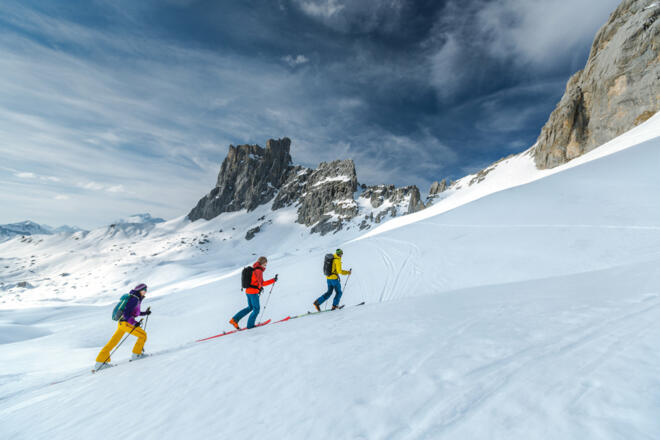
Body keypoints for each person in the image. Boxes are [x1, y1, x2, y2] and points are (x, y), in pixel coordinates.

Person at [95, 283, 151, 369]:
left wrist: (145, 313)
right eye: (144, 290)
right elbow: (126, 313)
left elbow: (134, 312)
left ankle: (100, 361)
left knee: (113, 342)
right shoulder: (135, 299)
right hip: (126, 323)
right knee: (143, 335)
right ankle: (136, 355)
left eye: (146, 290)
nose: (145, 291)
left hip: (122, 323)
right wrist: (133, 323)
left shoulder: (135, 298)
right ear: (140, 290)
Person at [230, 256, 278, 330]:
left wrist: (259, 287)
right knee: (256, 309)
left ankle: (234, 320)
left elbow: (255, 282)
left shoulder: (254, 269)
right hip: (253, 293)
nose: (265, 266)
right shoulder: (259, 271)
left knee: (250, 307)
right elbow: (262, 283)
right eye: (265, 264)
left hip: (248, 291)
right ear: (261, 263)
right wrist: (273, 280)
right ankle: (250, 325)